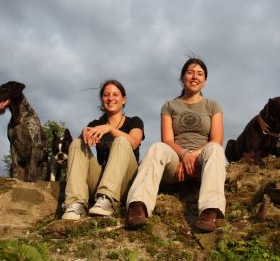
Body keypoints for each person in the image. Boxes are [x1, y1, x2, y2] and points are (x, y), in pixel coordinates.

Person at [126, 58, 226, 232]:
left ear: (205, 81)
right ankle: (137, 206)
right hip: (177, 160)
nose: (195, 77)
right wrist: (184, 155)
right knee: (157, 147)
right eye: (190, 72)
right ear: (182, 78)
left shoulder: (212, 105)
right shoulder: (169, 105)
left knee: (216, 149)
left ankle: (210, 210)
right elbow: (168, 140)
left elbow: (216, 139)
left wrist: (193, 155)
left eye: (200, 74)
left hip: (202, 162)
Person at [62, 79, 144, 220]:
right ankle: (76, 203)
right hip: (100, 181)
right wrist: (84, 134)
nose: (110, 98)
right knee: (76, 143)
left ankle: (108, 199)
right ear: (102, 100)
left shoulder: (134, 121)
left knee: (121, 141)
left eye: (115, 94)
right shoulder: (95, 124)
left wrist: (110, 129)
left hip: (126, 183)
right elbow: (80, 150)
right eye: (106, 95)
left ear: (123, 100)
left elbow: (134, 142)